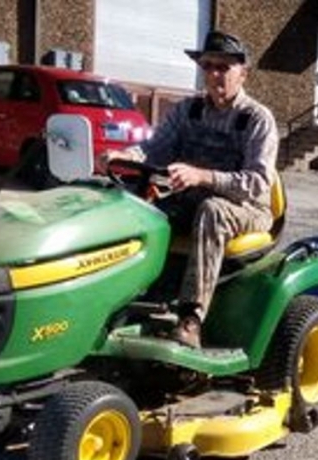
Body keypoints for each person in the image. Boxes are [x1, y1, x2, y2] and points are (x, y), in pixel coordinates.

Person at [99, 31, 279, 348]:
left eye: (223, 67)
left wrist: (203, 176)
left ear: (243, 72)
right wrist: (125, 157)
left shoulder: (256, 119)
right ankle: (125, 297)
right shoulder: (188, 110)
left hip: (248, 209)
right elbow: (154, 148)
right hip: (193, 200)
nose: (213, 74)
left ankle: (190, 318)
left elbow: (258, 183)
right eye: (208, 66)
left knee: (213, 211)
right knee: (135, 207)